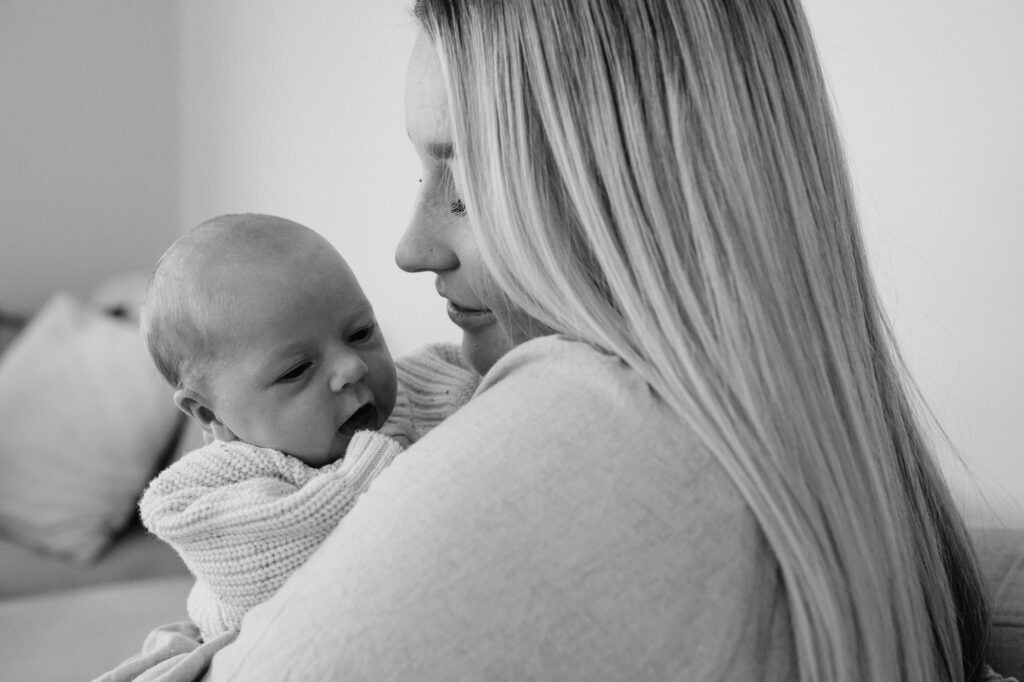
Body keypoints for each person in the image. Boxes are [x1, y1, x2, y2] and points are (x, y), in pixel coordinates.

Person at [101, 1, 998, 680]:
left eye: (469, 179)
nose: (411, 248)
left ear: (631, 181)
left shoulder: (590, 414)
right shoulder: (824, 444)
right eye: (424, 173)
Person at [136, 213, 480, 639]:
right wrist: (384, 462)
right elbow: (324, 557)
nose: (352, 368)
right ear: (211, 415)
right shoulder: (212, 490)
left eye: (360, 332)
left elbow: (494, 396)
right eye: (298, 370)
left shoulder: (425, 384)